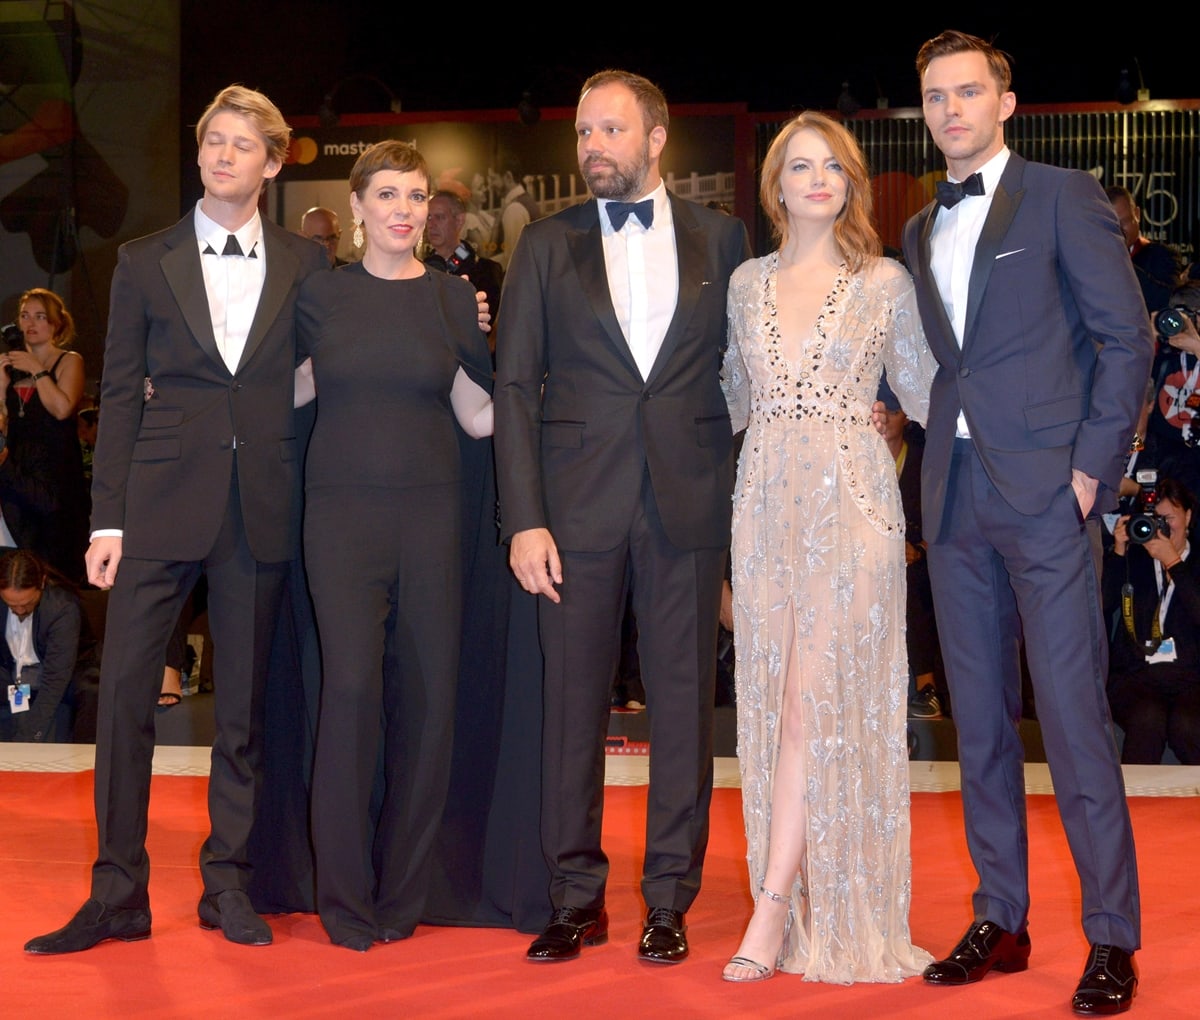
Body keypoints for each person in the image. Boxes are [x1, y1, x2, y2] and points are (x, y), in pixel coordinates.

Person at [24, 84, 329, 955]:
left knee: (241, 711)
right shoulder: (142, 259)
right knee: (124, 699)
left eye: (241, 144)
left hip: (262, 508)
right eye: (212, 141)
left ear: (272, 163)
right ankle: (117, 891)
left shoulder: (308, 265)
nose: (221, 154)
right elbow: (116, 395)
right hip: (154, 511)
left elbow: (330, 367)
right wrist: (107, 520)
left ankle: (225, 882)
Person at [898, 30, 1153, 1015]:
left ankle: (1111, 937)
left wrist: (1091, 473)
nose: (951, 109)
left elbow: (1122, 337)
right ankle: (1000, 914)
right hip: (954, 502)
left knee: (1076, 722)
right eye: (935, 96)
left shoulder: (1059, 196)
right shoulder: (918, 232)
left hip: (1049, 497)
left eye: (968, 92)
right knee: (982, 724)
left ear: (1006, 102)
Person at [495, 68, 750, 965]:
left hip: (687, 504)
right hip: (571, 515)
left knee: (683, 707)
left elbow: (743, 380)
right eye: (581, 132)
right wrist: (524, 517)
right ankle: (574, 897)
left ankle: (669, 895)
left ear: (656, 138)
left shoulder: (724, 238)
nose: (592, 146)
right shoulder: (542, 243)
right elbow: (516, 384)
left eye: (610, 130)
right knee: (570, 710)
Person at [719, 111, 935, 985]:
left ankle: (774, 911)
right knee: (775, 704)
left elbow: (924, 393)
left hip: (854, 514)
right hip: (765, 509)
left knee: (811, 704)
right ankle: (799, 896)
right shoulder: (743, 285)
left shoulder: (886, 282)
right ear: (776, 185)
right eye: (800, 166)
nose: (817, 179)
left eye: (833, 166)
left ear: (851, 181)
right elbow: (730, 399)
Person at [294, 139, 493, 951]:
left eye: (415, 196)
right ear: (358, 208)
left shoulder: (452, 300)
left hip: (433, 524)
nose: (404, 210)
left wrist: (562, 387)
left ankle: (402, 897)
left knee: (429, 707)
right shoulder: (318, 297)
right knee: (348, 700)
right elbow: (286, 393)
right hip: (338, 525)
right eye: (388, 195)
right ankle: (344, 901)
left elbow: (478, 414)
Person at [1103, 474, 1200, 764]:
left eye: (1169, 518)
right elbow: (1104, 604)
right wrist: (1119, 550)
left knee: (1188, 725)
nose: (1162, 527)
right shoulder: (1136, 559)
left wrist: (1174, 564)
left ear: (1188, 517)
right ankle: (1132, 805)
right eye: (1155, 519)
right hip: (1135, 676)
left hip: (1191, 679)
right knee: (1148, 718)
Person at [0, 288, 89, 582]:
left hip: (56, 470)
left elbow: (62, 409)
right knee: (22, 551)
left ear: (55, 324)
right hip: (19, 467)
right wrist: (2, 388)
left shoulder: (69, 360)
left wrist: (38, 371)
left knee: (58, 556)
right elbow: (4, 421)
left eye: (40, 317)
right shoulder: (11, 366)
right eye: (25, 316)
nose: (31, 323)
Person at [880, 400, 944, 719]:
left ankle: (926, 688)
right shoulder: (857, 464)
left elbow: (943, 521)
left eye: (893, 411)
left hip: (920, 564)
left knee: (905, 580)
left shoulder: (924, 464)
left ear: (906, 417)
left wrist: (917, 549)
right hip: (868, 564)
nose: (885, 419)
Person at [0, 548, 99, 743]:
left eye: (26, 603)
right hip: (14, 673)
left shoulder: (62, 609)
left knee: (91, 691)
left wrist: (30, 736)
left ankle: (87, 757)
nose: (19, 610)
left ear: (42, 584)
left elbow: (55, 678)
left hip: (67, 671)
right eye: (11, 605)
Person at [424, 189, 504, 351]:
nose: (431, 225)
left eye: (439, 217)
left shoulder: (486, 271)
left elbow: (482, 332)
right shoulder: (417, 269)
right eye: (428, 217)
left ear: (459, 221)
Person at [1105, 185, 1179, 315]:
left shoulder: (1163, 256)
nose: (1118, 231)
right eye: (1111, 225)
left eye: (1124, 223)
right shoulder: (1091, 258)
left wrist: (1118, 258)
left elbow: (1167, 301)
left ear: (1137, 214)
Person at [489, 156, 539, 269]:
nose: (490, 185)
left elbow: (513, 260)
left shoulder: (514, 209)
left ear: (508, 177)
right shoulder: (522, 201)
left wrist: (484, 267)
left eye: (493, 179)